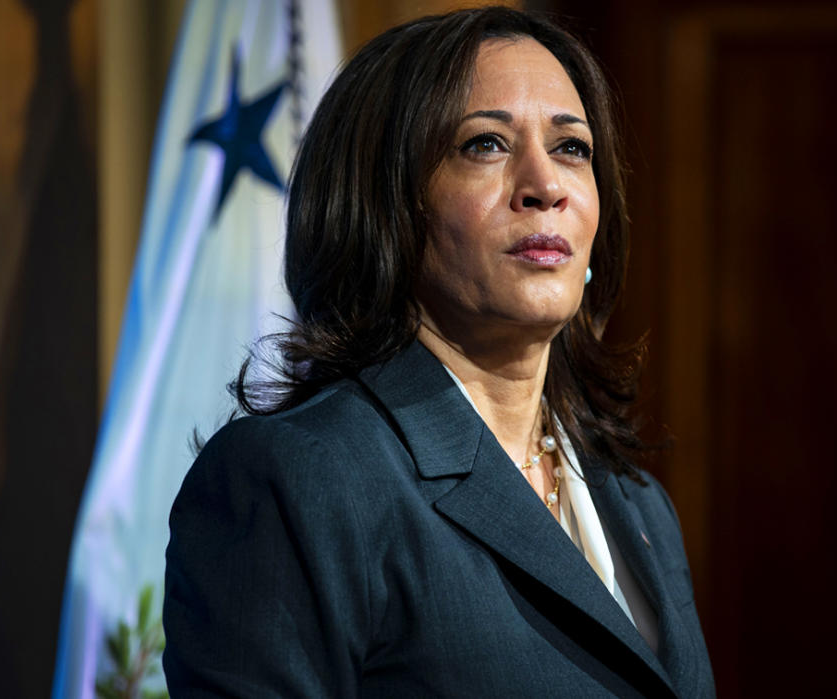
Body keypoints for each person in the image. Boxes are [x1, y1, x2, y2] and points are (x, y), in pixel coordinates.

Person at [163, 7, 714, 697]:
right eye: (484, 143)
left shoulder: (638, 506)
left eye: (572, 147)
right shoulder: (299, 481)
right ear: (386, 205)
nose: (546, 186)